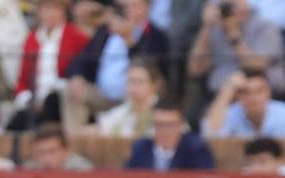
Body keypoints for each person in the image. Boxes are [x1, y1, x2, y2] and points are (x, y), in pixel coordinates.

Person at [63, 0, 169, 129]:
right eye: (127, 6)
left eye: (135, 6)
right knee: (69, 91)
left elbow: (149, 68)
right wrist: (77, 76)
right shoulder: (106, 30)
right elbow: (83, 58)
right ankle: (76, 142)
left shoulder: (156, 36)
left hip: (133, 96)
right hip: (101, 93)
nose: (130, 10)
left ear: (148, 8)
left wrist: (129, 41)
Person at [11, 0, 89, 129]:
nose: (50, 14)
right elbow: (23, 79)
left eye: (55, 9)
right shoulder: (31, 39)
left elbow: (82, 70)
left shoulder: (77, 36)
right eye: (46, 9)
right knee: (17, 122)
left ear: (64, 12)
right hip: (34, 99)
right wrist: (25, 97)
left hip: (60, 98)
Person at [186, 0, 285, 97]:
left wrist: (232, 32)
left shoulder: (265, 27)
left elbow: (255, 65)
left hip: (261, 97)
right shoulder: (215, 29)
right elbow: (195, 69)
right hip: (220, 97)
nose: (234, 8)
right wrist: (206, 27)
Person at [201, 67, 285, 136]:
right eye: (246, 92)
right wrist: (227, 89)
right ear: (238, 96)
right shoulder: (231, 113)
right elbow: (210, 133)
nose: (253, 97)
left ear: (268, 92)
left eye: (259, 91)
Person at [126, 98, 215, 168]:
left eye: (170, 125)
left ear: (181, 125)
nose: (164, 131)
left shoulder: (196, 149)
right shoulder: (141, 148)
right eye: (159, 125)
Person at [94, 56, 160, 136]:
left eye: (140, 82)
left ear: (154, 85)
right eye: (131, 81)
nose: (134, 87)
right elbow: (103, 127)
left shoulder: (163, 112)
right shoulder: (121, 112)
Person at [24, 121, 95, 168]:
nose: (46, 158)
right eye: (41, 152)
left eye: (52, 152)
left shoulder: (81, 170)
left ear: (66, 150)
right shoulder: (29, 169)